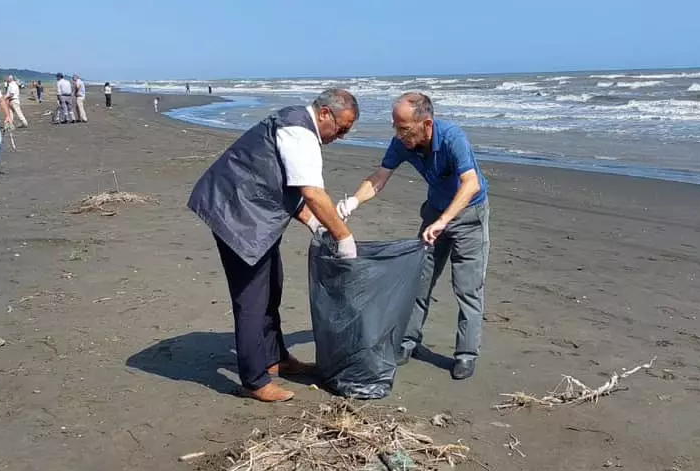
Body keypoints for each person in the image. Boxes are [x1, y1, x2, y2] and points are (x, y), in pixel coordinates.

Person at [186, 89, 360, 402]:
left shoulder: (297, 125)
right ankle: (254, 380)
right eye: (342, 128)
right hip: (234, 211)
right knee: (252, 298)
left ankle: (275, 358)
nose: (341, 136)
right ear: (324, 114)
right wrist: (343, 237)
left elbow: (283, 185)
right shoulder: (298, 132)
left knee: (272, 287)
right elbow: (311, 193)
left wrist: (317, 225)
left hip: (250, 209)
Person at [336, 92, 490, 380]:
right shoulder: (403, 143)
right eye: (395, 126)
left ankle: (466, 355)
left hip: (469, 215)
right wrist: (353, 202)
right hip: (435, 212)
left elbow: (470, 184)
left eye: (404, 128)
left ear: (427, 124)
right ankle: (408, 342)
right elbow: (380, 177)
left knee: (467, 288)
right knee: (419, 281)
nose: (399, 134)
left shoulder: (452, 138)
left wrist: (445, 221)